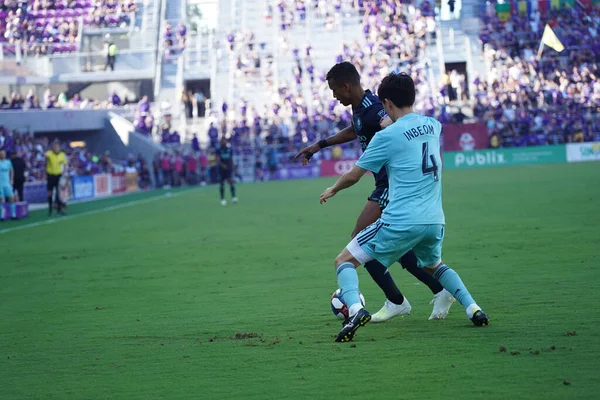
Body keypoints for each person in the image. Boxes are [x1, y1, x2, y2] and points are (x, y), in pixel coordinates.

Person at [319, 73, 489, 342]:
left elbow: (354, 175)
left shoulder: (387, 137)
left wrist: (333, 189)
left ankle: (355, 310)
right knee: (435, 265)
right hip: (434, 220)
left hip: (400, 220)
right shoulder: (433, 125)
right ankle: (474, 308)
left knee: (344, 260)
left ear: (386, 102)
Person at [295, 62, 455, 321]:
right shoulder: (360, 108)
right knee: (397, 246)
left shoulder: (376, 108)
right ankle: (437, 290)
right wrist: (320, 145)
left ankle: (397, 301)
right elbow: (355, 130)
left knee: (360, 238)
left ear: (346, 86)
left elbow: (391, 126)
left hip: (390, 186)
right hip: (384, 184)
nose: (334, 97)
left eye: (335, 91)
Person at [45, 141, 67, 216]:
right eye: (54, 147)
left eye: (57, 147)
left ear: (59, 147)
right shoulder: (49, 153)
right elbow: (45, 156)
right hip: (50, 175)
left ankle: (59, 209)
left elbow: (65, 164)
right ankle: (50, 209)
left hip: (58, 175)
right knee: (50, 193)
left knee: (58, 193)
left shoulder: (62, 155)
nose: (55, 148)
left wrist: (64, 173)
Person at [215, 137, 237, 206]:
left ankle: (233, 197)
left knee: (230, 181)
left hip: (228, 168)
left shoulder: (229, 149)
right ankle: (222, 199)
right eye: (222, 141)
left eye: (224, 141)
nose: (223, 142)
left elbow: (231, 159)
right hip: (221, 169)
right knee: (221, 183)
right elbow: (217, 159)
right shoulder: (218, 150)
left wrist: (233, 167)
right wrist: (222, 165)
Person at [0, 150, 17, 220]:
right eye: (1, 154)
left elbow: (12, 170)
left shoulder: (8, 162)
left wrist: (11, 179)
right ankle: (2, 216)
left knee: (12, 198)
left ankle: (13, 215)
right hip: (0, 184)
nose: (2, 155)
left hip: (7, 183)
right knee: (1, 200)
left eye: (3, 153)